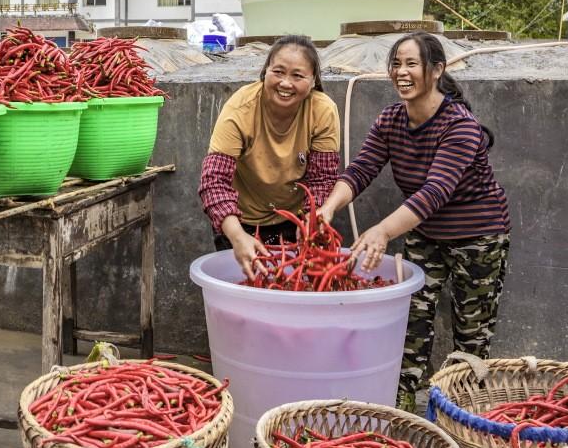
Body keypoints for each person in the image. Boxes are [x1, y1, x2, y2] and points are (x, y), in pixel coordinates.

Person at [317, 32, 510, 413]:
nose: (401, 72)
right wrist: (328, 208)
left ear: (436, 70)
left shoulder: (460, 126)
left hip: (478, 236)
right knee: (411, 322)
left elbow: (434, 192)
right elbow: (360, 169)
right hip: (425, 232)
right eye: (396, 64)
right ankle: (402, 404)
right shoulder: (391, 119)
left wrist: (383, 231)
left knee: (472, 332)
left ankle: (463, 413)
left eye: (411, 64)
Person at [199, 34, 341, 280]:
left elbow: (322, 179)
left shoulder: (322, 110)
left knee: (294, 290)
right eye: (278, 72)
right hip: (240, 220)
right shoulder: (241, 107)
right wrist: (237, 236)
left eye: (298, 76)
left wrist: (311, 219)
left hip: (295, 221)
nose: (286, 83)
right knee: (245, 291)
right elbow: (214, 180)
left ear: (313, 80)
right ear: (265, 72)